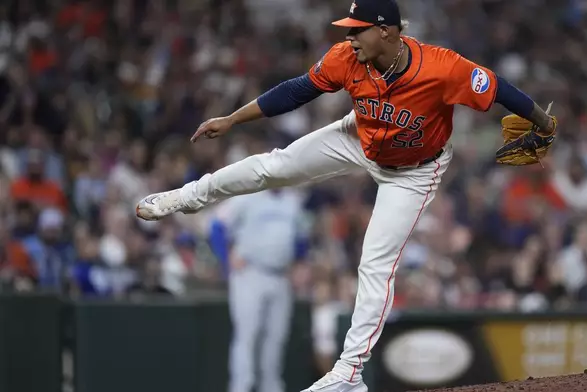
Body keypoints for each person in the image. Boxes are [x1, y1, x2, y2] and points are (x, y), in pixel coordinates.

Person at [135, 0, 556, 390]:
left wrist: (543, 122)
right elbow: (296, 90)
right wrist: (232, 118)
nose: (349, 37)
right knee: (273, 166)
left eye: (357, 29)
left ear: (387, 31)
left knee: (375, 263)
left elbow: (498, 87)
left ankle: (349, 375)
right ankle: (184, 198)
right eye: (348, 29)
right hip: (359, 136)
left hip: (414, 171)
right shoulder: (346, 58)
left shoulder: (443, 68)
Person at [210, 189, 309, 392]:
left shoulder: (292, 201)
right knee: (247, 335)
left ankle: (271, 387)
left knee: (276, 337)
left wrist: (300, 262)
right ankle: (241, 387)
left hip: (281, 276)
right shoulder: (245, 196)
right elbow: (216, 226)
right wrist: (227, 260)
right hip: (250, 273)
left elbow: (302, 236)